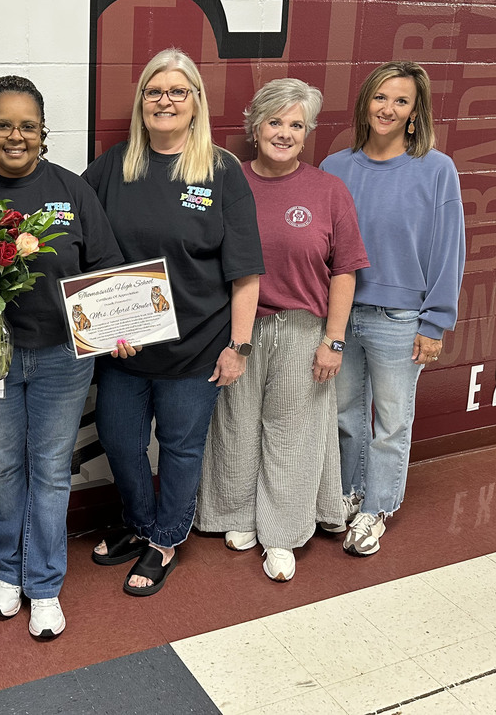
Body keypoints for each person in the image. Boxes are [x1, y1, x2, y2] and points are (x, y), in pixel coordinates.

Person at [84, 47, 263, 596]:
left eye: (177, 92)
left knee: (182, 448)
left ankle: (164, 539)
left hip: (196, 349)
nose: (165, 101)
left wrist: (239, 346)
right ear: (141, 102)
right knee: (119, 441)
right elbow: (79, 244)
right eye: (154, 91)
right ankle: (138, 523)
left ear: (196, 102)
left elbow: (246, 272)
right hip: (125, 349)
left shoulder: (221, 171)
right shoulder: (115, 166)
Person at [0, 76, 124, 640]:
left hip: (62, 359)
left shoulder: (73, 191)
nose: (15, 136)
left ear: (43, 133)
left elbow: (105, 273)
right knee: (5, 466)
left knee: (50, 470)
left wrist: (121, 323)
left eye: (28, 125)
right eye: (3, 124)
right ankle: (9, 573)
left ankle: (44, 585)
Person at [194, 79, 369, 582]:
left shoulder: (327, 190)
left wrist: (333, 340)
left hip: (301, 328)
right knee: (236, 426)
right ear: (255, 126)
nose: (285, 133)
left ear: (308, 132)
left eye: (297, 125)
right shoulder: (229, 180)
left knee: (293, 435)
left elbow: (345, 270)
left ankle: (283, 533)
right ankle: (239, 516)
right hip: (239, 329)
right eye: (275, 122)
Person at [321, 61, 465, 556]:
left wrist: (436, 321)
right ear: (365, 103)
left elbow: (449, 249)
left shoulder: (436, 169)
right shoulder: (335, 168)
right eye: (380, 97)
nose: (388, 108)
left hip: (401, 321)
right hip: (341, 315)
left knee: (393, 421)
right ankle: (349, 491)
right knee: (343, 411)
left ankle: (378, 506)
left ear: (414, 112)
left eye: (401, 101)